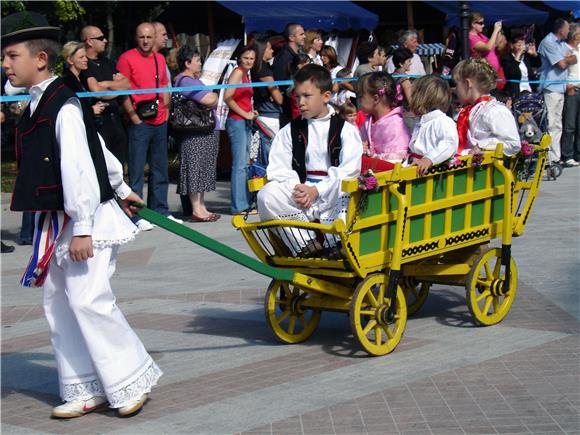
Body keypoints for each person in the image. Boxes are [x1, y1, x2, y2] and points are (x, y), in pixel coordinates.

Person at [1, 11, 161, 418]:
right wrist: (123, 186)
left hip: (83, 220)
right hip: (61, 221)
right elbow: (98, 151)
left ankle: (128, 382)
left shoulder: (62, 105)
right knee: (59, 303)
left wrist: (86, 228)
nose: (5, 64)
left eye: (11, 55)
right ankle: (84, 385)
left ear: (39, 59)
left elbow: (79, 166)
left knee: (90, 300)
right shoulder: (43, 101)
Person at [256, 64, 362, 256]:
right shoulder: (290, 130)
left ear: (326, 96)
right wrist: (299, 190)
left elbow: (350, 169)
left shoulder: (346, 130)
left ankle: (337, 243)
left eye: (307, 96)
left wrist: (317, 191)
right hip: (302, 192)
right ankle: (306, 243)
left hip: (331, 192)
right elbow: (278, 168)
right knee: (266, 195)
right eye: (297, 96)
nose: (300, 102)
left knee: (346, 185)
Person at [117, 22, 182, 231]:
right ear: (137, 38)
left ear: (154, 38)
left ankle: (160, 211)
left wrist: (165, 113)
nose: (145, 41)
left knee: (160, 168)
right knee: (136, 171)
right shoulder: (126, 58)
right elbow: (122, 90)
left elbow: (163, 86)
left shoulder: (159, 58)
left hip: (159, 120)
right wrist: (133, 116)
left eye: (149, 37)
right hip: (139, 121)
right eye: (141, 37)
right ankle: (136, 215)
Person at [173, 46, 221, 222]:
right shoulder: (185, 81)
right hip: (195, 131)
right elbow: (210, 99)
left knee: (202, 169)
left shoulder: (193, 80)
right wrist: (213, 97)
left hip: (204, 130)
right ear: (187, 63)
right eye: (197, 60)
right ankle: (196, 209)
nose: (200, 63)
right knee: (194, 168)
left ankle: (202, 207)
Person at [81, 25, 130, 164]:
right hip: (99, 123)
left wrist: (106, 84)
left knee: (119, 166)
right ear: (89, 41)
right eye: (101, 38)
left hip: (117, 120)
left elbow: (127, 84)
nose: (105, 40)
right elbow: (97, 92)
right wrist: (116, 88)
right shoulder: (84, 65)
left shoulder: (107, 62)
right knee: (102, 166)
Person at [452, 59, 521, 156]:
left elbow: (513, 143)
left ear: (468, 84)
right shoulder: (469, 111)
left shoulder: (494, 111)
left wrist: (482, 146)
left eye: (456, 84)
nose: (455, 90)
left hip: (486, 169)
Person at [538, 18, 577, 164]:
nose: (569, 31)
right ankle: (550, 158)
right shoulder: (548, 42)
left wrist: (568, 59)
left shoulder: (561, 44)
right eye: (567, 29)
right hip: (551, 88)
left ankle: (556, 156)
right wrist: (567, 59)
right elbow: (561, 64)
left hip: (560, 88)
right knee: (551, 123)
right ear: (561, 30)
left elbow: (574, 58)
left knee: (557, 124)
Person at [224, 44, 258, 215]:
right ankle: (239, 206)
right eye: (246, 58)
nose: (249, 61)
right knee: (239, 166)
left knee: (244, 164)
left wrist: (250, 113)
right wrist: (245, 114)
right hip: (236, 122)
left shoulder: (246, 74)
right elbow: (227, 97)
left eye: (252, 58)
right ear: (239, 58)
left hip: (243, 120)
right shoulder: (237, 72)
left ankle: (243, 204)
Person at [358, 71, 410, 173]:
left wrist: (368, 154)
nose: (358, 100)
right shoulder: (368, 120)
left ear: (375, 98)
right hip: (371, 172)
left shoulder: (395, 125)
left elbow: (395, 163)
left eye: (361, 96)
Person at [407, 75, 458, 175]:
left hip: (431, 174)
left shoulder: (443, 121)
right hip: (416, 169)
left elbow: (449, 143)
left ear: (421, 98)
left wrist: (429, 159)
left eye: (413, 95)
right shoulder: (422, 122)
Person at [61, 41, 108, 117]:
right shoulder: (66, 81)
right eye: (81, 57)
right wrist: (92, 110)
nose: (86, 59)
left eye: (86, 56)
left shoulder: (83, 77)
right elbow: (71, 108)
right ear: (70, 60)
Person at [252, 38, 284, 147]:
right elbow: (279, 99)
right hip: (268, 114)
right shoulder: (264, 71)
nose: (272, 51)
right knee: (270, 149)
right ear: (262, 50)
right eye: (269, 48)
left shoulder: (255, 69)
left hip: (261, 112)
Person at [272, 23, 305, 123]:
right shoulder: (284, 57)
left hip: (296, 107)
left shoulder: (297, 55)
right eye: (301, 34)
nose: (305, 36)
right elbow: (280, 83)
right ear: (291, 37)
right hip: (288, 110)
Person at [500, 30, 541, 99]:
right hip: (515, 93)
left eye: (523, 45)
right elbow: (511, 73)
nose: (521, 47)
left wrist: (535, 54)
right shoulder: (506, 58)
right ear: (512, 45)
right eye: (519, 45)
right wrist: (517, 55)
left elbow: (538, 64)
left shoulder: (526, 57)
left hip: (529, 90)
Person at [561, 23, 580, 167]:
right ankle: (566, 155)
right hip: (571, 89)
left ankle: (578, 154)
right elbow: (563, 71)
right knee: (569, 124)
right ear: (575, 35)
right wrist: (568, 86)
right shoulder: (565, 49)